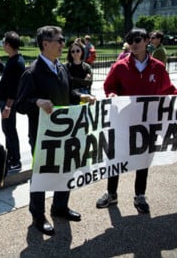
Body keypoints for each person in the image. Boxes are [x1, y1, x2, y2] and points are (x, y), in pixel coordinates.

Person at [15, 25, 95, 236]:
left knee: (65, 169)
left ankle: (59, 207)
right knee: (41, 175)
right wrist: (37, 102)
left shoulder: (61, 68)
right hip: (43, 135)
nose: (63, 44)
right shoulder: (31, 73)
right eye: (59, 40)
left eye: (62, 39)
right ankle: (38, 216)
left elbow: (67, 92)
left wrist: (80, 97)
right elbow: (21, 104)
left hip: (64, 131)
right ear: (45, 44)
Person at [96, 28, 177, 214]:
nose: (133, 43)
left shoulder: (157, 67)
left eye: (137, 39)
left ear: (147, 40)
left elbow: (168, 90)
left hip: (147, 123)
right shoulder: (120, 66)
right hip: (123, 121)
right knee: (115, 158)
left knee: (142, 159)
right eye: (130, 40)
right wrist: (112, 94)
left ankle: (140, 195)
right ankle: (111, 193)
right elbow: (109, 86)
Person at [0, 31, 25, 172]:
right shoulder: (13, 60)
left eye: (4, 42)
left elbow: (14, 88)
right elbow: (4, 72)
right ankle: (11, 157)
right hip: (5, 102)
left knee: (10, 130)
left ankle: (15, 160)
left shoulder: (17, 62)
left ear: (8, 44)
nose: (3, 45)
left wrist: (8, 107)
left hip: (8, 103)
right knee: (7, 130)